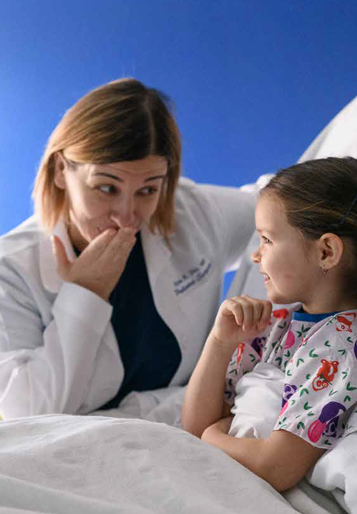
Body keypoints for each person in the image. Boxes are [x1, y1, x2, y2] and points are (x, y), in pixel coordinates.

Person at [0, 78, 258, 420]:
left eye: (148, 190)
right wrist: (86, 294)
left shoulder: (192, 213)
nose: (126, 215)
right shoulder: (11, 271)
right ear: (62, 170)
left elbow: (280, 206)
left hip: (192, 432)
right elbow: (25, 414)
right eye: (107, 187)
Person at [182, 156, 357, 493]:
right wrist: (220, 342)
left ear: (326, 252)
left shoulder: (352, 351)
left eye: (267, 240)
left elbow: (274, 467)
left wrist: (212, 435)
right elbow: (195, 422)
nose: (255, 256)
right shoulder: (276, 326)